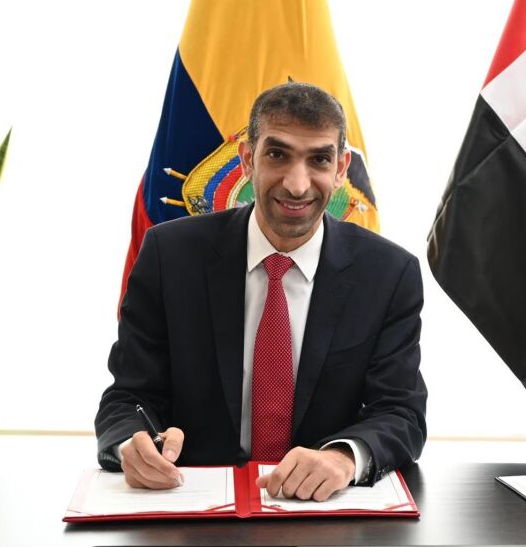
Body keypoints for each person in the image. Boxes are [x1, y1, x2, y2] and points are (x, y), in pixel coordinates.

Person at [95, 82, 428, 501]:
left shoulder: (389, 273)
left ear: (341, 168)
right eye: (277, 155)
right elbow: (128, 397)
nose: (297, 184)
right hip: (191, 505)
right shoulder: (169, 255)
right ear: (247, 159)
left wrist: (344, 458)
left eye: (319, 159)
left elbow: (401, 413)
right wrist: (134, 443)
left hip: (322, 512)